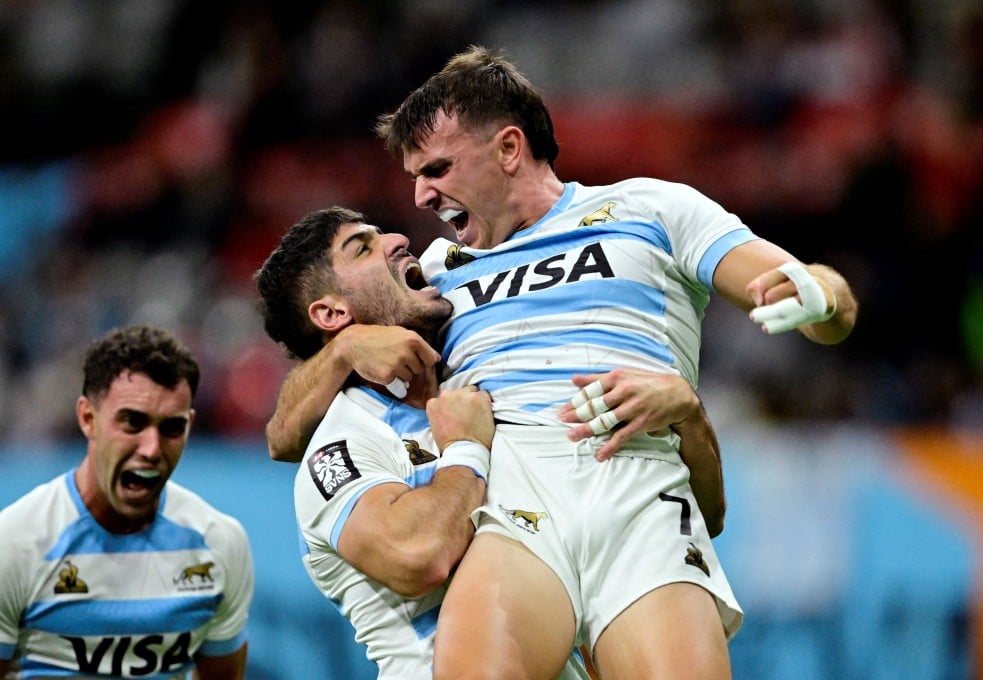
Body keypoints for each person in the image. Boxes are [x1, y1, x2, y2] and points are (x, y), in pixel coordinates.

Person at [270, 45, 859, 678]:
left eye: (437, 168)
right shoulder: (436, 274)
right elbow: (284, 433)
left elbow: (827, 303)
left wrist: (820, 297)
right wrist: (347, 347)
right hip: (514, 492)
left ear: (508, 149)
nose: (419, 196)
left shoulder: (652, 209)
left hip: (640, 484)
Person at [254, 207, 725, 678]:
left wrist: (688, 414)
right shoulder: (346, 443)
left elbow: (694, 519)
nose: (398, 238)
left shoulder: (488, 388)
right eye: (363, 247)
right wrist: (465, 450)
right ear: (333, 314)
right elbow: (418, 556)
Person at [0, 325, 254, 680]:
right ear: (88, 418)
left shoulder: (219, 542)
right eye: (132, 422)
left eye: (171, 428)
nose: (151, 449)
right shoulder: (14, 542)